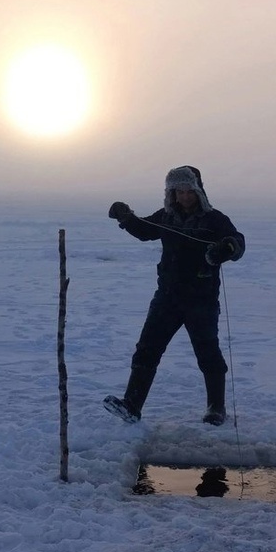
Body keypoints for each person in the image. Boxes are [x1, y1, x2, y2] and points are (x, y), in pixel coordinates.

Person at [104, 165, 245, 425]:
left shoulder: (215, 219)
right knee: (146, 350)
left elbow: (237, 242)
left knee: (207, 353)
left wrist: (226, 249)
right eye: (177, 191)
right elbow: (144, 230)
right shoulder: (166, 217)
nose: (183, 196)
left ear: (198, 190)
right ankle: (132, 405)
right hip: (167, 298)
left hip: (201, 300)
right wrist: (125, 217)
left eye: (188, 191)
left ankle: (216, 409)